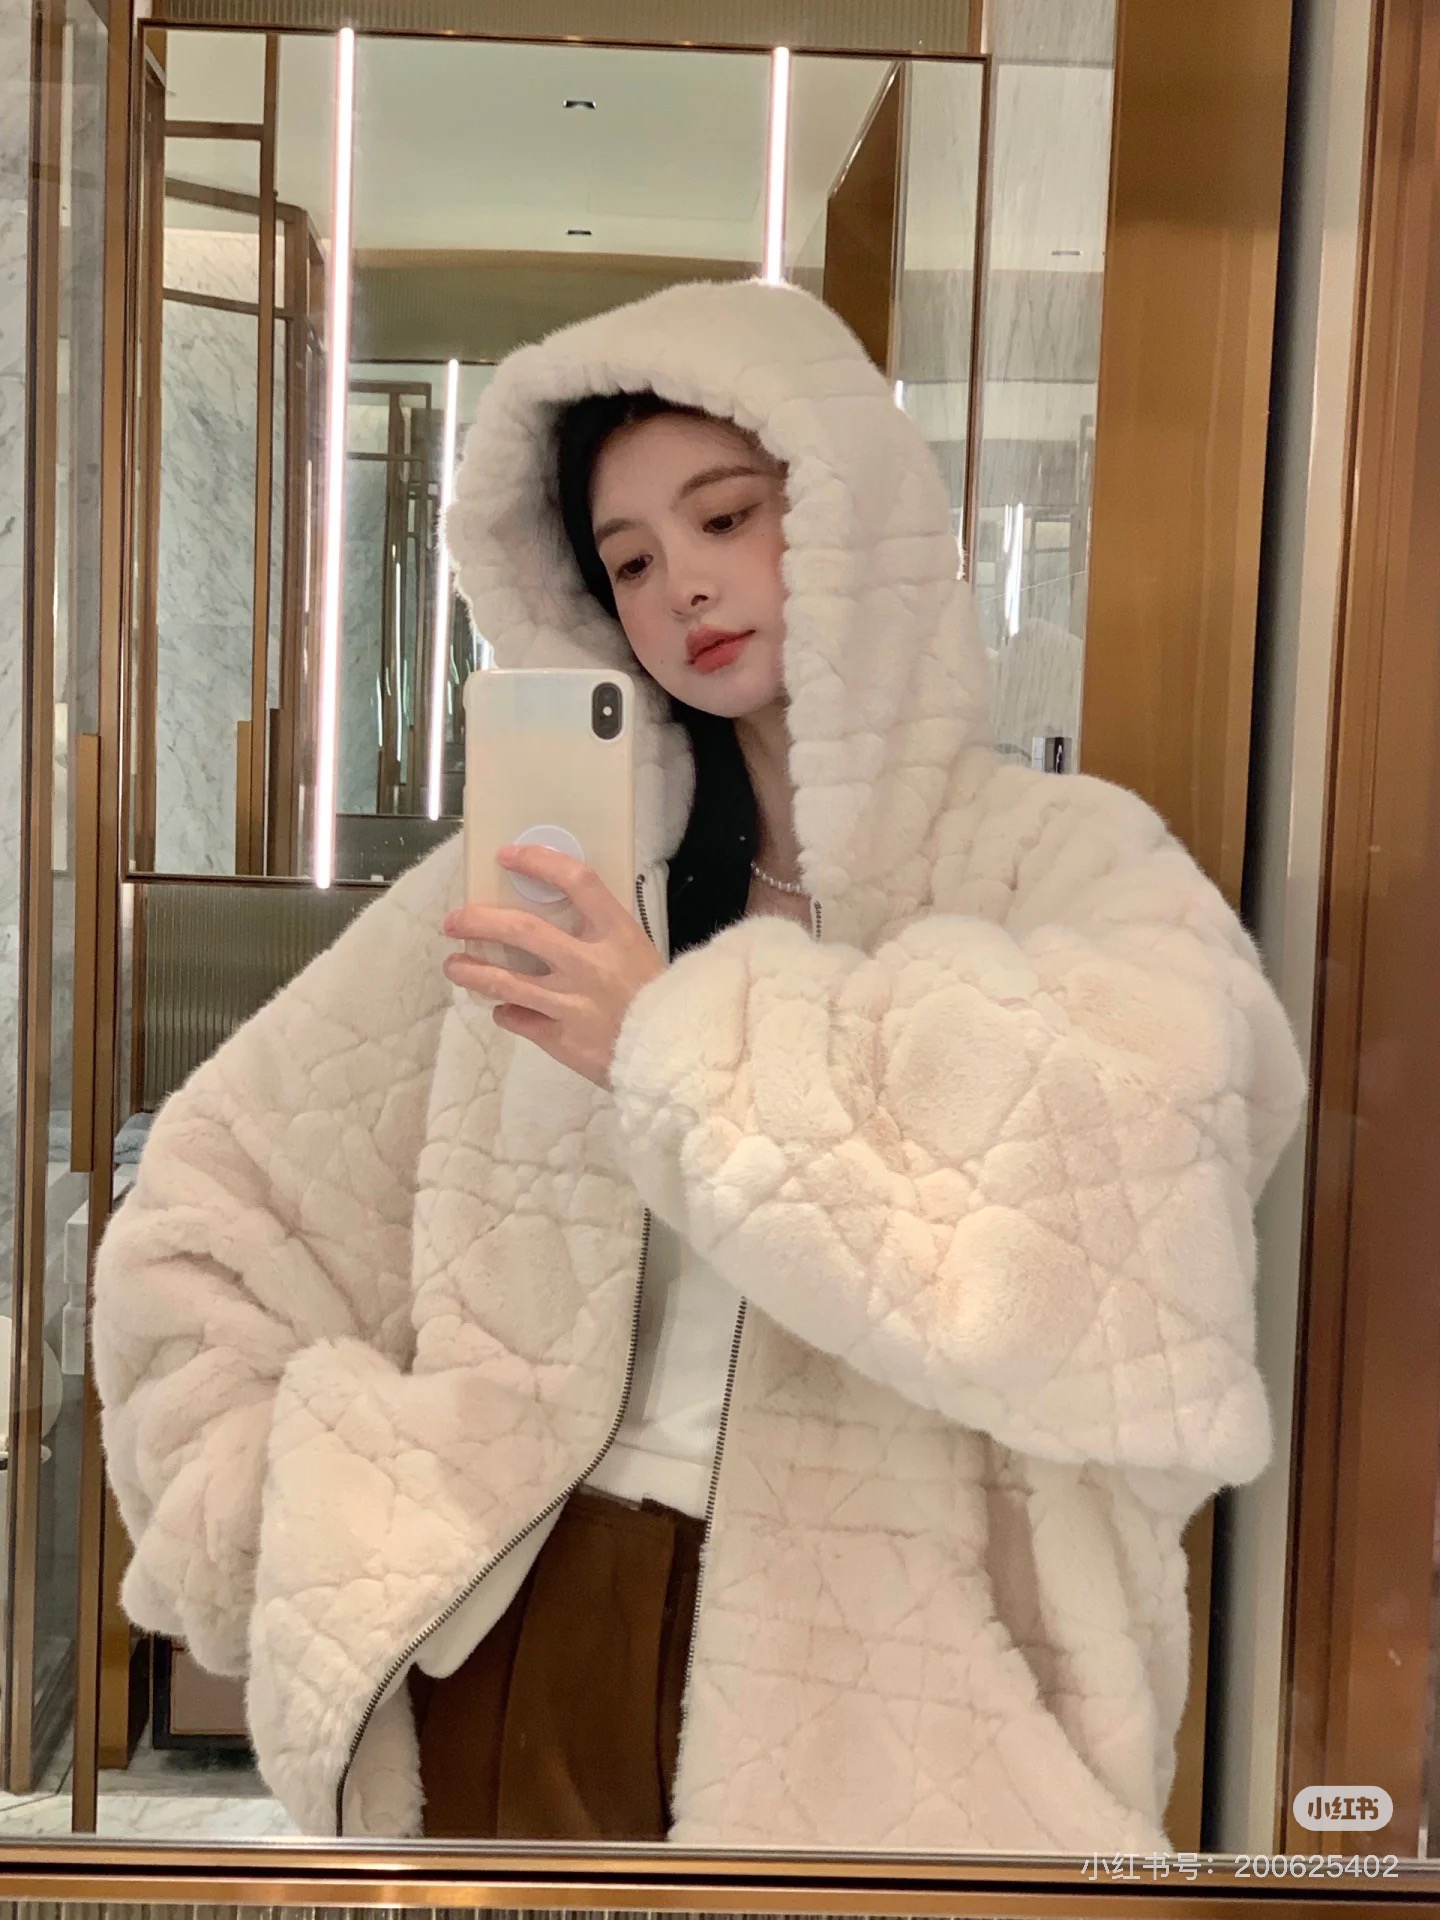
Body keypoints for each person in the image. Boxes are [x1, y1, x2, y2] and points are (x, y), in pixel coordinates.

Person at [91, 278, 1306, 1853]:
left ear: (850, 514)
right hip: (526, 1629)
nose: (686, 587)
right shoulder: (545, 886)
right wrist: (284, 1514)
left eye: (728, 517)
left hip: (906, 1694)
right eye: (632, 560)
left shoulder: (1058, 865)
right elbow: (208, 1210)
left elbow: (1140, 1233)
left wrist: (672, 1045)